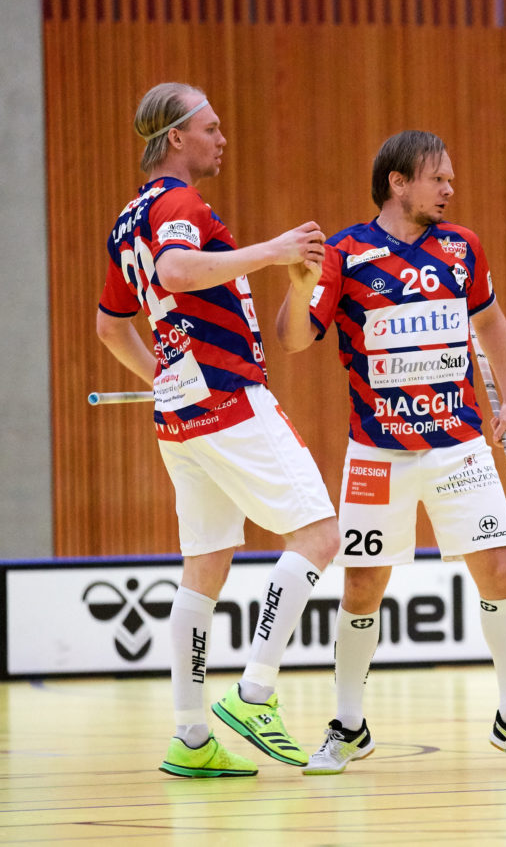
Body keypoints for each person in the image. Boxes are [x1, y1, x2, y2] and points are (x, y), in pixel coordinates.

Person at [275, 130, 506, 773]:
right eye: (438, 178)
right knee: (362, 588)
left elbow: (491, 324)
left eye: (450, 179)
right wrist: (297, 285)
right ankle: (348, 725)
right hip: (378, 455)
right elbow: (293, 341)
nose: (450, 188)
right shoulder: (345, 254)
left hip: (459, 447)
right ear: (399, 182)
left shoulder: (463, 248)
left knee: (498, 572)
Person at [96, 83, 340, 778]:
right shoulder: (179, 204)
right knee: (319, 534)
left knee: (203, 567)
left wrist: (160, 376)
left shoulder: (127, 220)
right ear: (177, 138)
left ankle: (191, 736)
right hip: (230, 395)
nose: (222, 138)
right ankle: (255, 693)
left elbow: (110, 324)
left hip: (181, 412)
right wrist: (269, 251)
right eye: (212, 127)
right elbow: (176, 270)